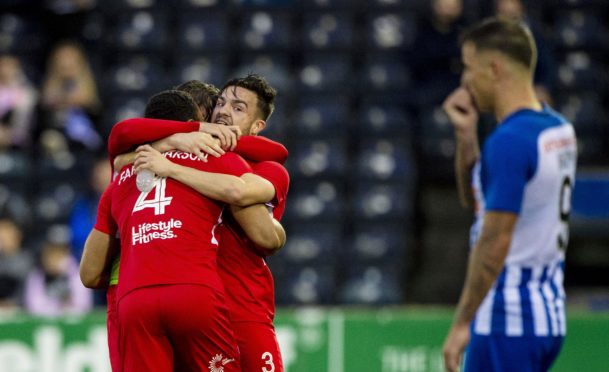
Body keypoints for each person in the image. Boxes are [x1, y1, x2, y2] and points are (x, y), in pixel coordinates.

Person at [442, 18, 577, 372]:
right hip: (547, 315)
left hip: (506, 318)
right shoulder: (558, 129)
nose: (465, 81)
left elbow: (495, 239)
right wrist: (467, 136)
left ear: (494, 69)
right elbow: (481, 202)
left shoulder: (509, 143)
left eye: (470, 69)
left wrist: (461, 323)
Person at [82, 90, 250, 371]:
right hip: (194, 291)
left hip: (134, 299)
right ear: (191, 123)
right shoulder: (215, 159)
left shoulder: (119, 178)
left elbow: (88, 273)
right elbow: (262, 230)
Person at [134, 74, 290, 371]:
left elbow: (264, 235)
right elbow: (122, 149)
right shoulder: (187, 156)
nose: (224, 111)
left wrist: (175, 167)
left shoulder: (269, 169)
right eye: (220, 103)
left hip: (244, 310)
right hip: (196, 312)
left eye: (238, 107)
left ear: (258, 126)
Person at [24, 225, 92, 316]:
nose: (55, 256)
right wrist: (57, 307)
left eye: (60, 250)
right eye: (52, 250)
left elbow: (83, 306)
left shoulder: (77, 273)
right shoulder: (38, 274)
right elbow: (33, 307)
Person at [0, 54, 38, 151]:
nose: (4, 69)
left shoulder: (26, 91)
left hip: (16, 144)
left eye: (9, 65)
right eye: (2, 65)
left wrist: (9, 135)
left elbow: (23, 127)